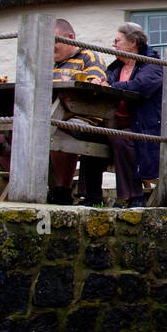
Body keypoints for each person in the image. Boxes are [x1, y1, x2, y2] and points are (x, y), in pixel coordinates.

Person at [48, 19, 110, 205]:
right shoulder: (48, 63)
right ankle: (48, 184)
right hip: (51, 116)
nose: (51, 47)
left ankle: (63, 189)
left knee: (57, 130)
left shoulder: (89, 57)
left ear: (70, 38)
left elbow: (94, 87)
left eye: (54, 42)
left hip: (84, 119)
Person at [104, 22, 163, 207]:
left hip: (144, 127)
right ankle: (89, 196)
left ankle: (132, 196)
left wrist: (110, 87)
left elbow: (140, 87)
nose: (113, 45)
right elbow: (105, 82)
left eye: (117, 40)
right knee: (89, 135)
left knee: (120, 139)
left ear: (133, 43)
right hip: (116, 123)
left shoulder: (153, 64)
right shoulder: (115, 68)